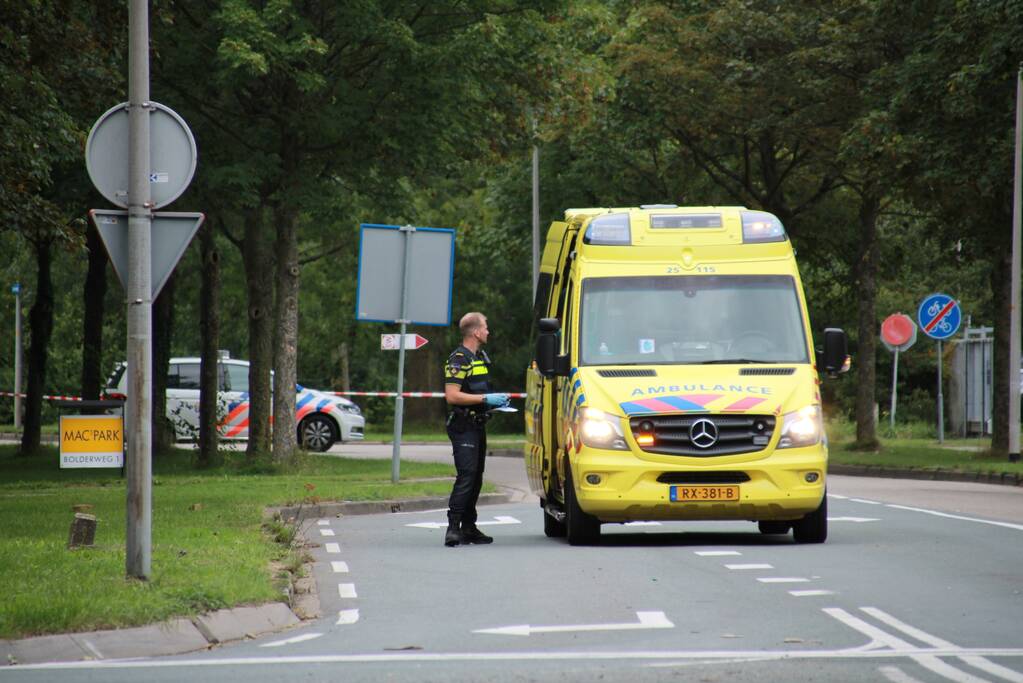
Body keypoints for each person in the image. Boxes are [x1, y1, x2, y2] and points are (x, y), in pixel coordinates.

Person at [442, 312, 509, 547]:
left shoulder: (478, 357)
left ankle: (469, 527)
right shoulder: (459, 359)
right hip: (463, 425)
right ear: (476, 332)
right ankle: (453, 527)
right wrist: (484, 398)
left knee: (476, 477)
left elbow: (477, 391)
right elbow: (452, 395)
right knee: (467, 475)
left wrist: (492, 402)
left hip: (478, 425)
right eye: (486, 327)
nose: (488, 331)